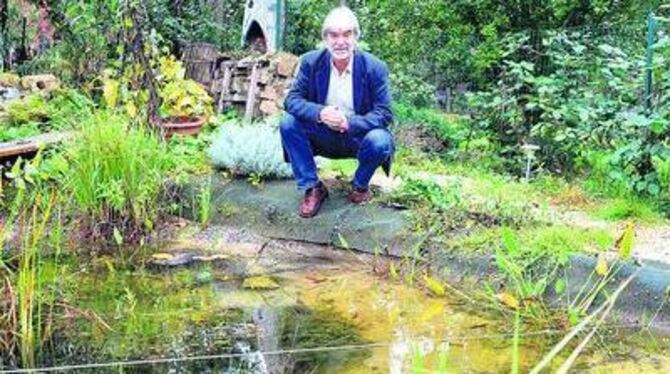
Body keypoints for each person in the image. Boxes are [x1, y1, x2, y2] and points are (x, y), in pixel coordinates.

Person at [280, 5, 394, 218]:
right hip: (322, 134)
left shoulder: (375, 67)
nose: (340, 41)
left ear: (356, 37)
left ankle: (360, 186)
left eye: (347, 34)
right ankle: (313, 188)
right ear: (325, 39)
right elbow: (292, 100)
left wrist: (349, 123)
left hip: (357, 137)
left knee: (381, 140)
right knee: (288, 122)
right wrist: (320, 113)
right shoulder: (310, 62)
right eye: (333, 35)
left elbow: (384, 113)